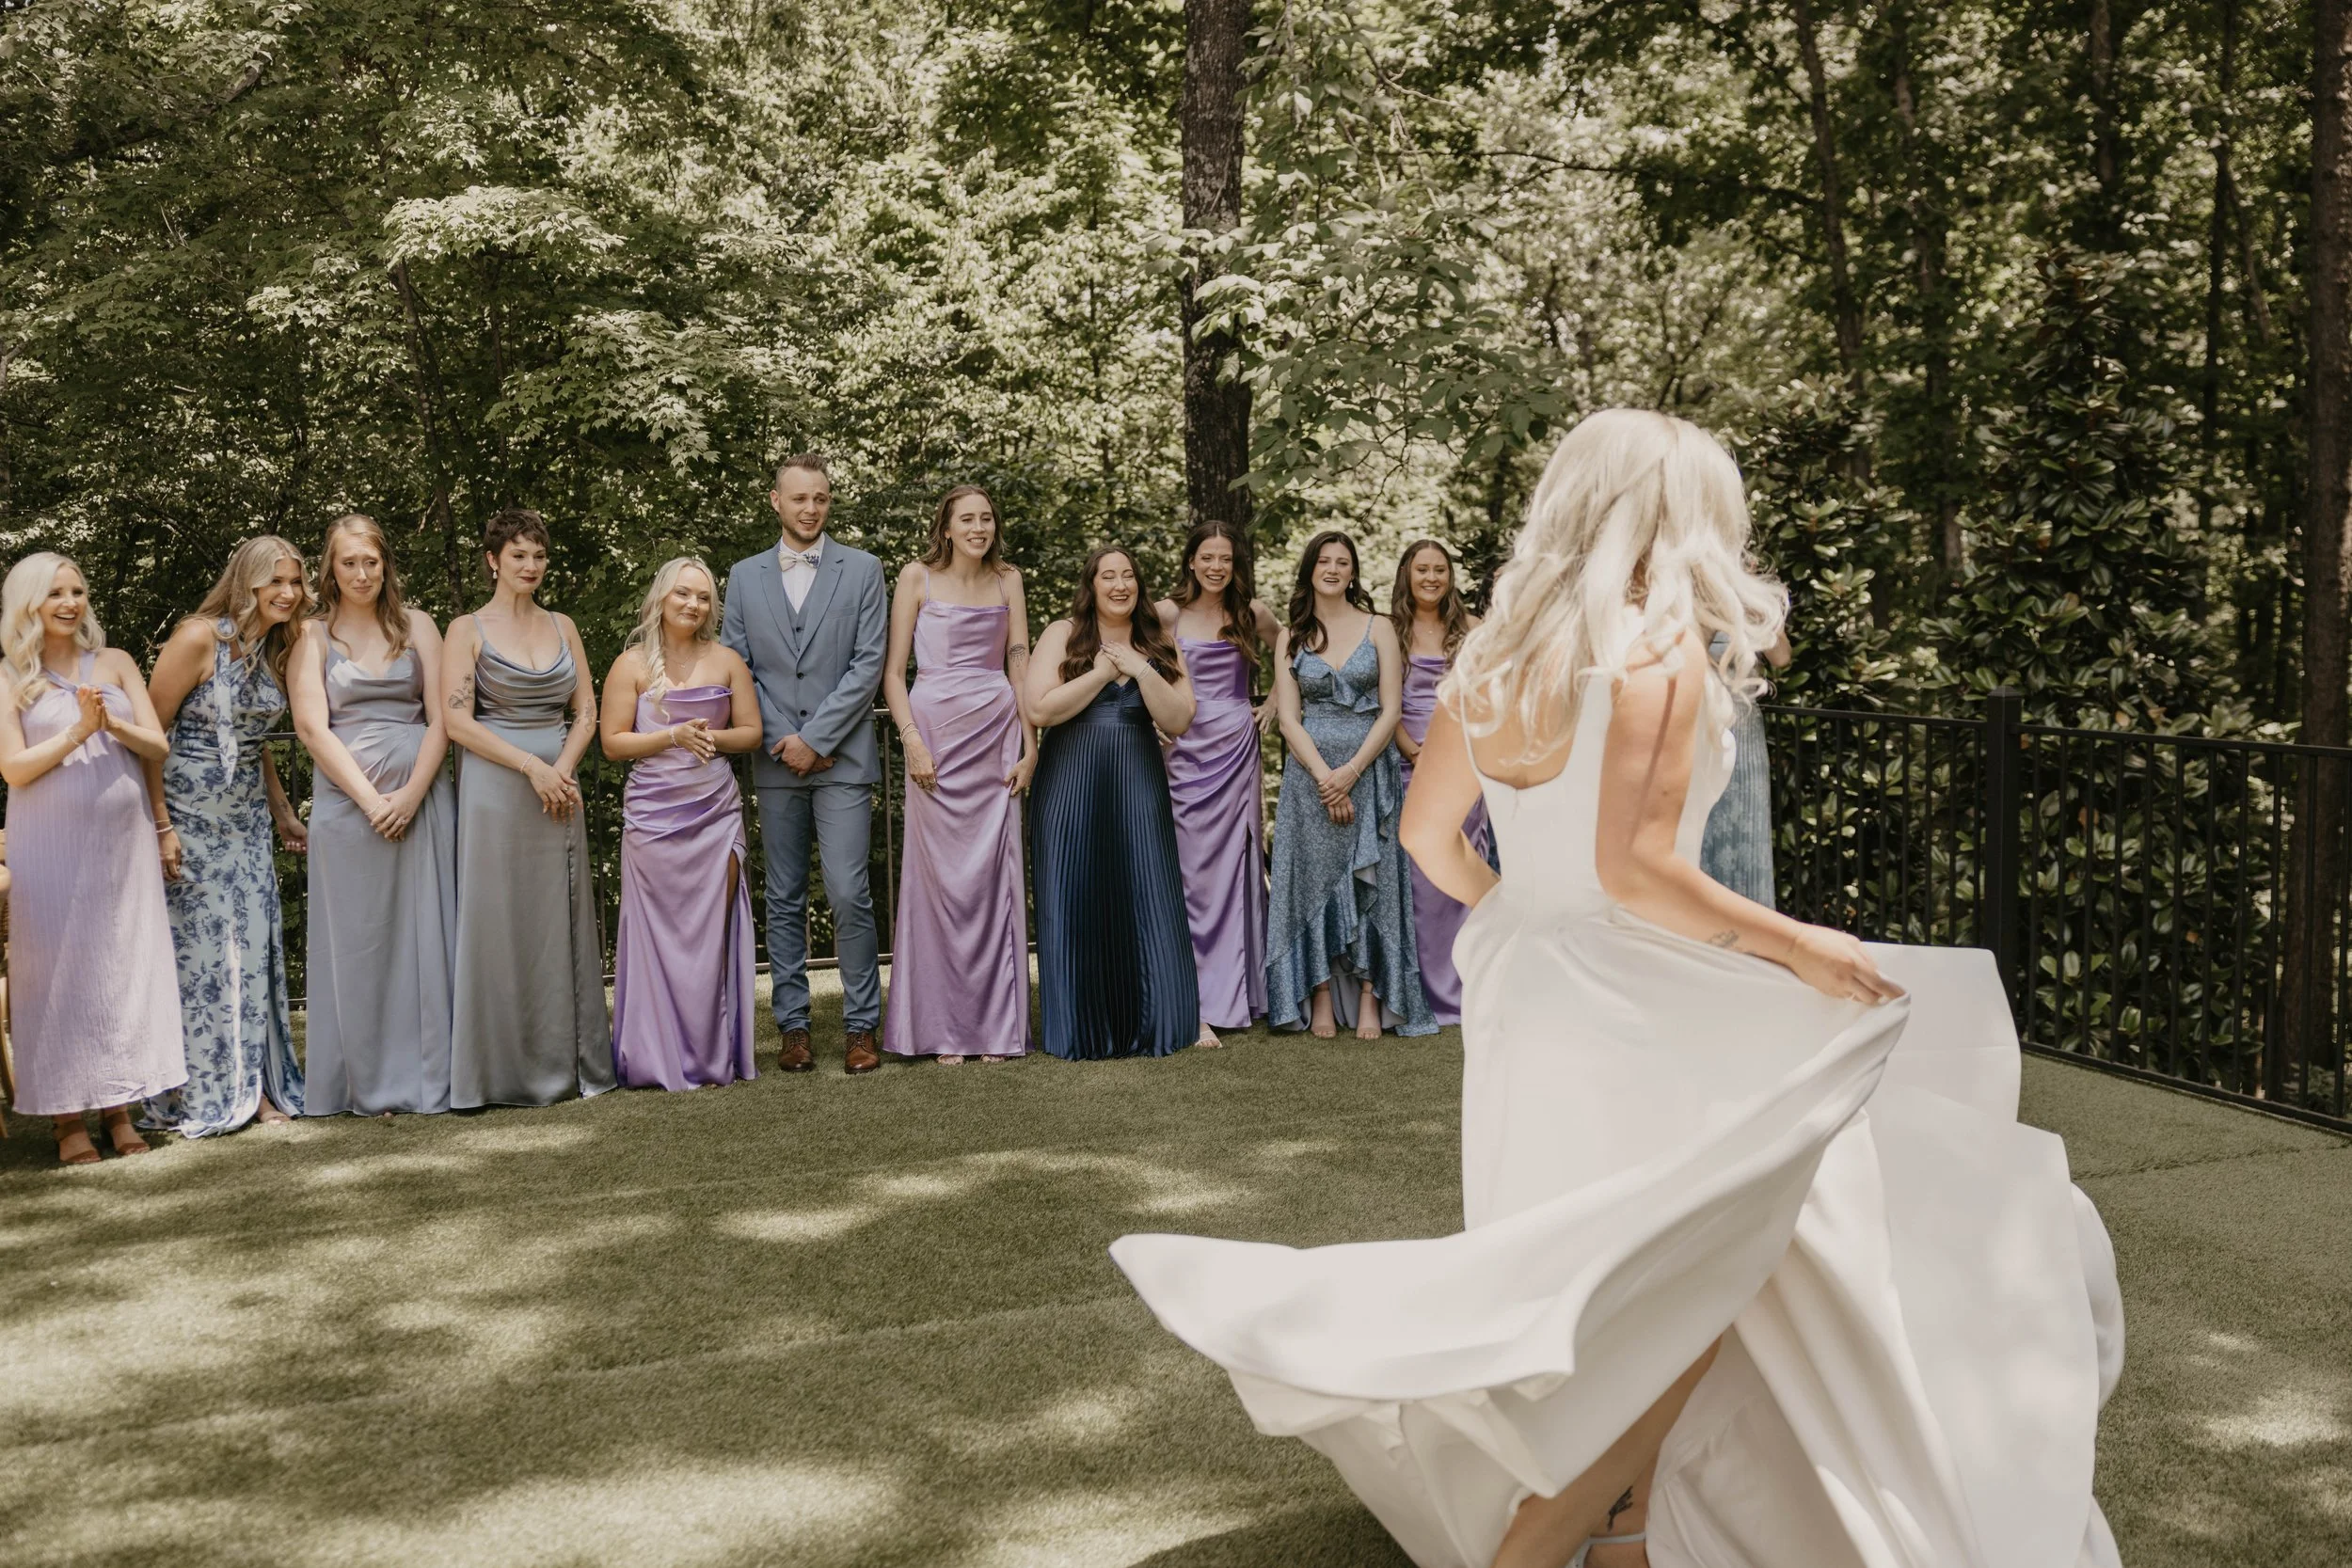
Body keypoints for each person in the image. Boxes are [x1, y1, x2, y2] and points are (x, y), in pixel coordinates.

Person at [1114, 410, 2122, 1568]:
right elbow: (1637, 871)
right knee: (1705, 1259)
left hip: (1527, 987)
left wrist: (1521, 919)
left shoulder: (1493, 652)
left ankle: (1631, 1528)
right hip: (1638, 993)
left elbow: (1427, 834)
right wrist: (1796, 944)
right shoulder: (1654, 650)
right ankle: (1544, 1542)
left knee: (1614, 1267)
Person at [0, 554, 185, 1163]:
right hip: (49, 842)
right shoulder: (9, 677)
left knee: (118, 967)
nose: (70, 601)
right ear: (29, 602)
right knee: (56, 973)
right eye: (55, 592)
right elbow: (15, 767)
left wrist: (111, 724)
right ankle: (65, 1120)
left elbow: (156, 741)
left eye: (78, 590)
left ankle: (119, 1107)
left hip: (121, 841)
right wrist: (79, 731)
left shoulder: (116, 662)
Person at [720, 456, 890, 1075]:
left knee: (849, 892)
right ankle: (792, 1027)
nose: (811, 509)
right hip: (775, 758)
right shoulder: (742, 576)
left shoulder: (865, 570)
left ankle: (860, 1027)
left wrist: (816, 738)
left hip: (841, 758)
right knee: (784, 895)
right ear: (775, 501)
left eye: (821, 498)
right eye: (799, 499)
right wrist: (780, 737)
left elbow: (869, 663)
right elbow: (737, 666)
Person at [441, 509, 615, 1107]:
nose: (531, 566)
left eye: (539, 556)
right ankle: (496, 1074)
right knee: (499, 924)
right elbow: (456, 720)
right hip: (496, 787)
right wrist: (531, 767)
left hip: (558, 791)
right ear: (494, 560)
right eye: (518, 555)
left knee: (557, 921)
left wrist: (561, 770)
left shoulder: (564, 625)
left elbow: (587, 712)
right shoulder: (466, 628)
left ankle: (573, 1066)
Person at [289, 515, 458, 1117]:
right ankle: (363, 1081)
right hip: (346, 804)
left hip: (422, 797)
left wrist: (411, 793)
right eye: (348, 563)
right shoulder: (309, 636)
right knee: (360, 942)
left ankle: (431, 1076)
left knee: (426, 933)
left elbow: (442, 718)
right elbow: (311, 726)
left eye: (371, 562)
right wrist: (370, 800)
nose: (361, 574)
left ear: (386, 564)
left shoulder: (419, 627)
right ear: (330, 570)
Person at [142, 536, 310, 1137]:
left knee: (255, 951)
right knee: (208, 958)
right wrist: (161, 824)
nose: (288, 593)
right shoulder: (197, 638)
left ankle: (259, 1088)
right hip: (187, 821)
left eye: (295, 581)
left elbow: (254, 745)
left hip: (246, 823)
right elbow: (148, 736)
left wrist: (285, 812)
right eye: (276, 582)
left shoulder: (273, 648)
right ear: (248, 584)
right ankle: (204, 1090)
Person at [880, 485, 1035, 1064]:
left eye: (986, 518)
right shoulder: (916, 577)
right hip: (935, 742)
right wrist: (912, 743)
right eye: (966, 519)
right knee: (939, 882)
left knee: (995, 880)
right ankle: (940, 1028)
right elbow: (894, 674)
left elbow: (1019, 663)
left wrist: (1030, 745)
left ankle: (996, 1029)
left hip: (996, 734)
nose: (978, 527)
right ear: (945, 526)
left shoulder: (1008, 579)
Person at [1025, 546, 1200, 1059]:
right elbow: (1039, 708)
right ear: (1092, 584)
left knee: (1144, 888)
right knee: (1075, 893)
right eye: (1108, 576)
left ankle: (1152, 1022)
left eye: (1128, 576)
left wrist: (1141, 671)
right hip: (1069, 784)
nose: (1120, 584)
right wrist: (1102, 672)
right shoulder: (1063, 634)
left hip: (1136, 782)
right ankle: (1080, 1028)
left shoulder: (1159, 641)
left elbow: (1180, 719)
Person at [602, 557, 763, 1090]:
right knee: (658, 937)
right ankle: (655, 1055)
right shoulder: (630, 665)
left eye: (703, 597)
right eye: (683, 595)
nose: (693, 605)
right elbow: (613, 743)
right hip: (652, 818)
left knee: (709, 936)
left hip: (715, 813)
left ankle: (712, 1055)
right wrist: (672, 736)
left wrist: (709, 739)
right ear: (660, 599)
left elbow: (753, 733)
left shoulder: (727, 660)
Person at [1264, 531, 1432, 1040]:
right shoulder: (1289, 637)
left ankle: (1367, 994)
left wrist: (1352, 773)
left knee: (1374, 880)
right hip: (1310, 777)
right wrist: (1324, 779)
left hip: (1368, 769)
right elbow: (1290, 720)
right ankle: (1317, 993)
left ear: (1353, 573)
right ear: (1310, 570)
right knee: (1312, 881)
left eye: (1343, 562)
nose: (1333, 569)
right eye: (1324, 561)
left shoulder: (1378, 627)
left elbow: (1391, 709)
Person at [1156, 521, 1279, 1049]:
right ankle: (1194, 999)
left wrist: (1274, 701)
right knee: (1189, 870)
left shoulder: (1252, 614)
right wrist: (1152, 717)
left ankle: (1240, 995)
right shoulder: (1167, 612)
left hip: (1235, 745)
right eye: (1207, 557)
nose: (1216, 567)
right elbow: (1140, 665)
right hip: (1184, 748)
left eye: (1225, 559)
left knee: (1237, 871)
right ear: (1191, 561)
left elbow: (1292, 645)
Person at [1390, 538, 1490, 1026]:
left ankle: (1471, 985)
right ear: (1407, 575)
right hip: (1409, 762)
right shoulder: (1390, 632)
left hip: (1462, 768)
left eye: (1440, 571)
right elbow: (1381, 703)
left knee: (1462, 878)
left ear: (1450, 579)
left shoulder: (1472, 632)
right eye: (1422, 569)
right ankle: (1422, 991)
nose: (1431, 578)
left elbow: (1488, 701)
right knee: (1420, 886)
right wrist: (1413, 750)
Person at [1697, 627, 1791, 908]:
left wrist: (1763, 619)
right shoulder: (1699, 595)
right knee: (1703, 824)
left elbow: (1782, 658)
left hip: (1746, 728)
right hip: (1705, 721)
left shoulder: (1754, 598)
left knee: (1746, 825)